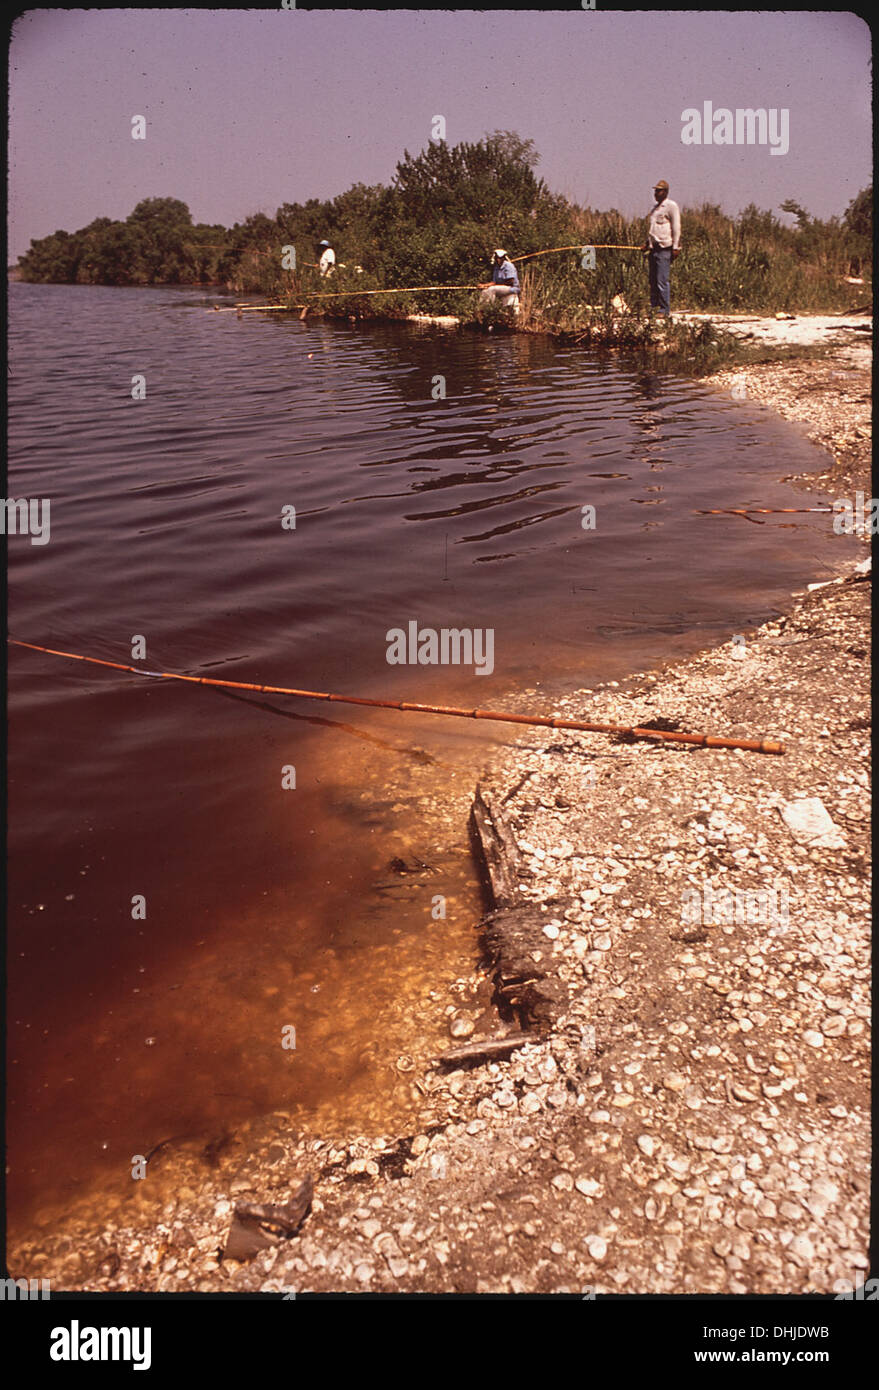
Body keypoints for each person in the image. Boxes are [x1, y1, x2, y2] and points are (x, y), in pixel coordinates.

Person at [641, 181, 681, 317]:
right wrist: (647, 243)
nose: (656, 194)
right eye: (655, 191)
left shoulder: (671, 206)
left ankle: (664, 310)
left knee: (661, 280)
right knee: (652, 280)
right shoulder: (655, 209)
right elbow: (653, 229)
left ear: (665, 192)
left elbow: (676, 227)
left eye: (659, 191)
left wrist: (676, 247)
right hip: (654, 248)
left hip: (665, 248)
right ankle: (654, 308)